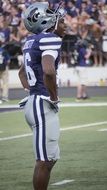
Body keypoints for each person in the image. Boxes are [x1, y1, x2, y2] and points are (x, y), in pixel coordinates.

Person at [18, 2, 67, 190]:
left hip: (35, 102)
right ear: (46, 22)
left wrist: (32, 91)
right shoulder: (49, 39)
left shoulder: (32, 41)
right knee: (44, 160)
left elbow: (22, 73)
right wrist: (53, 96)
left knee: (50, 158)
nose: (64, 24)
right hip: (42, 104)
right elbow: (48, 71)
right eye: (60, 21)